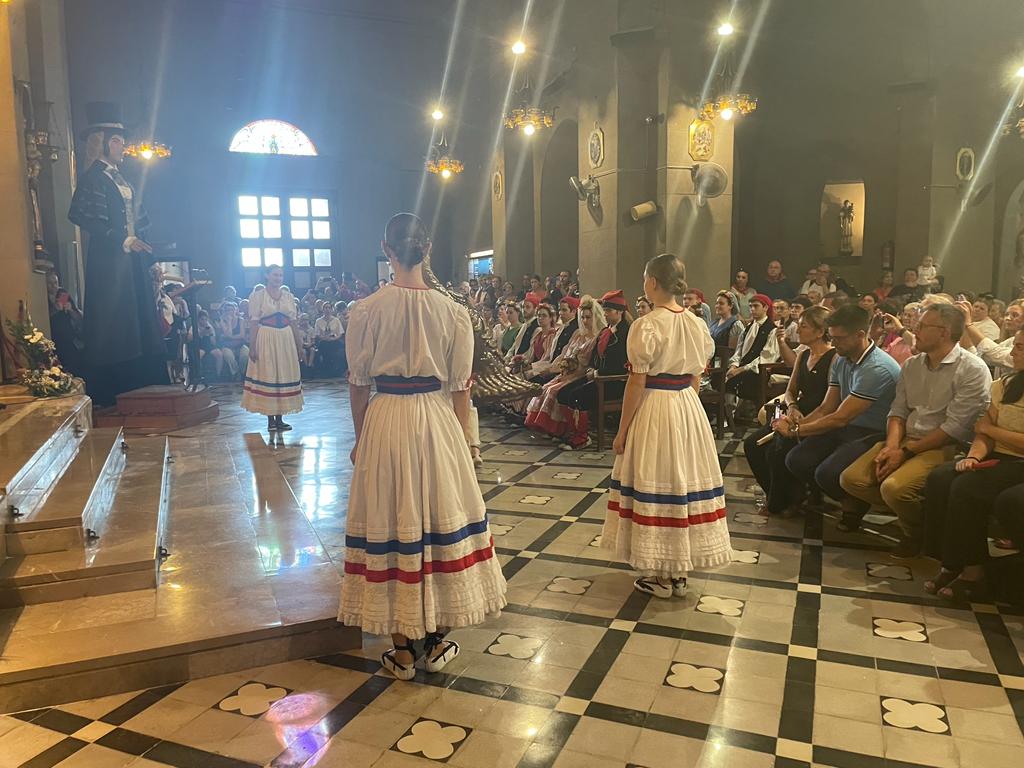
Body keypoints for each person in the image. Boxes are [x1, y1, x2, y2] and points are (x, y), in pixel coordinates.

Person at [341, 213, 506, 679]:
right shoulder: (454, 311)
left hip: (387, 419)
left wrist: (360, 440)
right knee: (438, 518)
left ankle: (403, 650)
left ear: (387, 251)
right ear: (427, 250)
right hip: (437, 419)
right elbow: (461, 388)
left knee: (392, 521)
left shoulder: (366, 310)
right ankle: (435, 640)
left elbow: (357, 384)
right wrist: (464, 444)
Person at [601, 253, 731, 598]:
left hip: (655, 406)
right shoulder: (696, 323)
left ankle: (661, 572)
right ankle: (678, 571)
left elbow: (636, 383)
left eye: (645, 278)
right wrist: (686, 411)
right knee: (681, 483)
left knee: (658, 480)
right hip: (686, 405)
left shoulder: (647, 324)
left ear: (653, 282)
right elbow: (696, 376)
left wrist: (622, 429)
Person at [839, 305, 992, 554]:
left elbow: (954, 428)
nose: (913, 330)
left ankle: (917, 532)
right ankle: (922, 517)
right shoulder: (912, 365)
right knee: (852, 479)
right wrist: (891, 446)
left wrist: (906, 452)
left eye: (921, 326)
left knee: (894, 488)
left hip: (944, 445)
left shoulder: (971, 369)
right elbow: (897, 411)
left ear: (943, 332)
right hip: (906, 439)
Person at [68, 102, 167, 405]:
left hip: (130, 261)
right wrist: (123, 240)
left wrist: (143, 247)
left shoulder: (120, 178)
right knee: (115, 321)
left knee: (136, 317)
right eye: (119, 142)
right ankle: (114, 387)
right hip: (109, 260)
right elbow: (82, 216)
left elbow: (138, 217)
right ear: (107, 142)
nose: (123, 147)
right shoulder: (93, 178)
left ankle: (142, 380)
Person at [922, 330, 1024, 601]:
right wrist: (973, 457)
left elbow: (989, 427)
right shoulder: (1005, 384)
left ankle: (973, 571)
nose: (1013, 353)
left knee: (968, 489)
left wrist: (992, 431)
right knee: (942, 478)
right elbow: (983, 431)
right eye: (1015, 346)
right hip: (999, 456)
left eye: (1020, 348)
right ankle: (950, 561)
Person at [782, 306, 901, 531]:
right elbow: (827, 407)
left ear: (859, 335)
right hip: (847, 426)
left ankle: (854, 505)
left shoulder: (877, 368)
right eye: (832, 337)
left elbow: (840, 418)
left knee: (827, 472)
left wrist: (796, 431)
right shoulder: (841, 359)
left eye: (839, 338)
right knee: (796, 459)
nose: (833, 343)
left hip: (873, 431)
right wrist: (797, 423)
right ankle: (845, 500)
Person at [745, 307, 836, 517]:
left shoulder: (834, 358)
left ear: (820, 331)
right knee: (752, 444)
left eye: (804, 326)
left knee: (778, 448)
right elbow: (790, 391)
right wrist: (793, 407)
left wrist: (799, 424)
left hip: (816, 416)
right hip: (795, 411)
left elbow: (829, 403)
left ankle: (780, 502)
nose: (799, 330)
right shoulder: (804, 354)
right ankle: (777, 494)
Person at [556, 290, 632, 449]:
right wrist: (591, 368)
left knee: (577, 396)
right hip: (597, 376)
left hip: (613, 382)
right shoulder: (606, 331)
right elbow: (595, 355)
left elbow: (620, 364)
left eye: (608, 311)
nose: (604, 314)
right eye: (604, 310)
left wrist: (597, 373)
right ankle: (575, 431)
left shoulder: (626, 333)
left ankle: (582, 437)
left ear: (619, 312)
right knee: (563, 393)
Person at [524, 296, 604, 438]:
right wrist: (560, 368)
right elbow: (565, 354)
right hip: (567, 372)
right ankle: (548, 428)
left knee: (554, 391)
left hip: (580, 374)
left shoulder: (597, 337)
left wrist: (571, 374)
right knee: (546, 388)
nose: (585, 321)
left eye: (588, 318)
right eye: (583, 317)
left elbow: (589, 364)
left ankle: (564, 429)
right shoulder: (578, 334)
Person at [241, 266, 304, 432]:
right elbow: (254, 322)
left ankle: (280, 418)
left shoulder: (288, 296)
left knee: (282, 373)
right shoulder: (257, 296)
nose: (278, 278)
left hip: (285, 337)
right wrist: (252, 346)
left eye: (281, 275)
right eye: (275, 275)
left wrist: (299, 345)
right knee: (269, 373)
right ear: (267, 275)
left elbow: (293, 322)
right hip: (266, 337)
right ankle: (270, 419)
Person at [725, 294, 780, 403]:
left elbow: (766, 358)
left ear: (765, 308)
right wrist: (733, 365)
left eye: (756, 306)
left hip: (758, 371)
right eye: (750, 306)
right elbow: (739, 352)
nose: (752, 309)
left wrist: (741, 369)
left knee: (736, 380)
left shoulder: (772, 330)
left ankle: (742, 412)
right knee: (723, 376)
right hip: (742, 368)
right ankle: (729, 413)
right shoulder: (748, 328)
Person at [960, 299, 1023, 377]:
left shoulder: (990, 327)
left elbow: (997, 354)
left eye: (1015, 315)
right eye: (1006, 314)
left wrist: (969, 325)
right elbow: (984, 357)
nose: (1008, 318)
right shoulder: (1008, 341)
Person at [46, 271, 85, 377]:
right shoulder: (42, 296)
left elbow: (77, 316)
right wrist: (56, 309)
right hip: (52, 338)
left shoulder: (62, 293)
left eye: (55, 282)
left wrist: (70, 310)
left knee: (75, 366)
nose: (54, 286)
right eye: (50, 283)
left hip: (68, 338)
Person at [880, 302, 920, 366]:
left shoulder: (921, 340)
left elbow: (916, 346)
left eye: (909, 316)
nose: (905, 318)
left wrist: (900, 329)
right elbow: (883, 358)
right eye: (905, 314)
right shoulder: (898, 340)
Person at [217, 302, 250, 380]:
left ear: (235, 310)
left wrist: (229, 337)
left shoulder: (241, 320)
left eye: (232, 309)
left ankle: (241, 372)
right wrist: (229, 322)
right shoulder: (222, 320)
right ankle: (235, 373)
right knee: (229, 356)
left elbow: (242, 335)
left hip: (240, 344)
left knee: (245, 355)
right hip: (227, 346)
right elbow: (228, 333)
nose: (230, 311)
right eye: (227, 310)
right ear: (224, 311)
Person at [314, 302, 344, 376]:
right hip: (323, 340)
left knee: (336, 349)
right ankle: (326, 370)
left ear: (331, 309)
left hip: (334, 340)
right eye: (325, 308)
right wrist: (324, 338)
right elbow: (317, 334)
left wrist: (334, 339)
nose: (327, 309)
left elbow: (340, 333)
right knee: (324, 347)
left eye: (329, 308)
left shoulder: (336, 320)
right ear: (323, 309)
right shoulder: (318, 321)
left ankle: (336, 370)